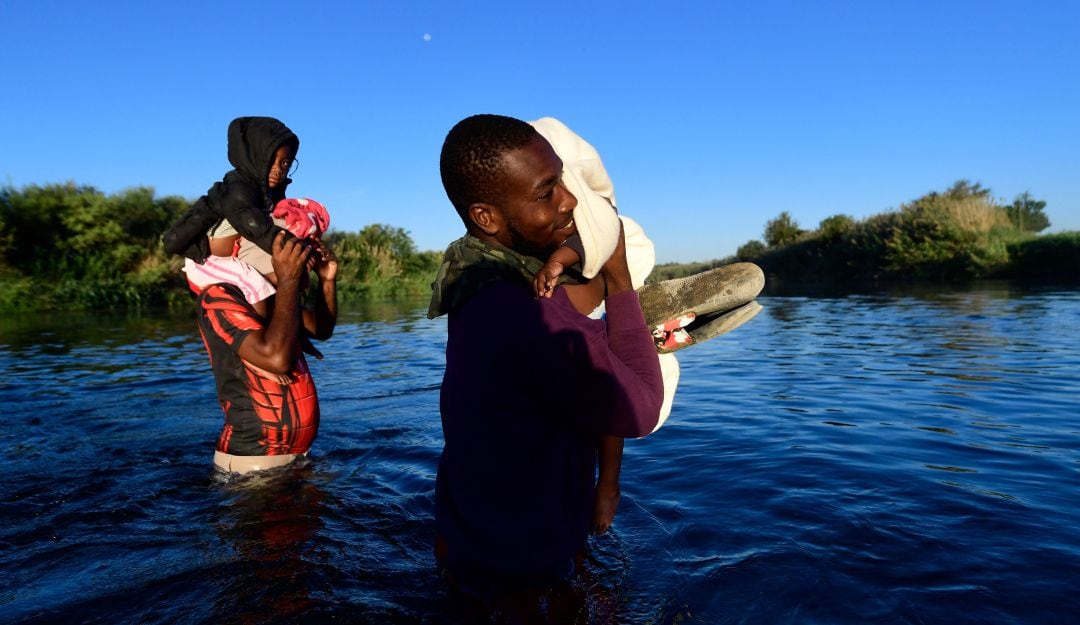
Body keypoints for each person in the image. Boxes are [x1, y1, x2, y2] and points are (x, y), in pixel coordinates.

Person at [428, 113, 665, 599]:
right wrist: (620, 281)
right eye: (545, 193)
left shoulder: (473, 280)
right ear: (486, 216)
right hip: (525, 561)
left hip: (467, 530)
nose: (569, 200)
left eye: (561, 180)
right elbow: (641, 408)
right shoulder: (535, 320)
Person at [197, 226, 338, 474]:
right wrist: (288, 279)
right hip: (251, 464)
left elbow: (320, 329)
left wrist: (327, 280)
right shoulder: (219, 297)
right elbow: (276, 359)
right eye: (299, 261)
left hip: (295, 456)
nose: (304, 266)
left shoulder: (277, 299)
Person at [163, 116, 303, 266]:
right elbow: (255, 228)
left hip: (240, 249)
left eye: (285, 162)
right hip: (210, 258)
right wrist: (297, 247)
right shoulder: (237, 189)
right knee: (267, 282)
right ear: (253, 157)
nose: (278, 170)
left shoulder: (270, 191)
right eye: (269, 160)